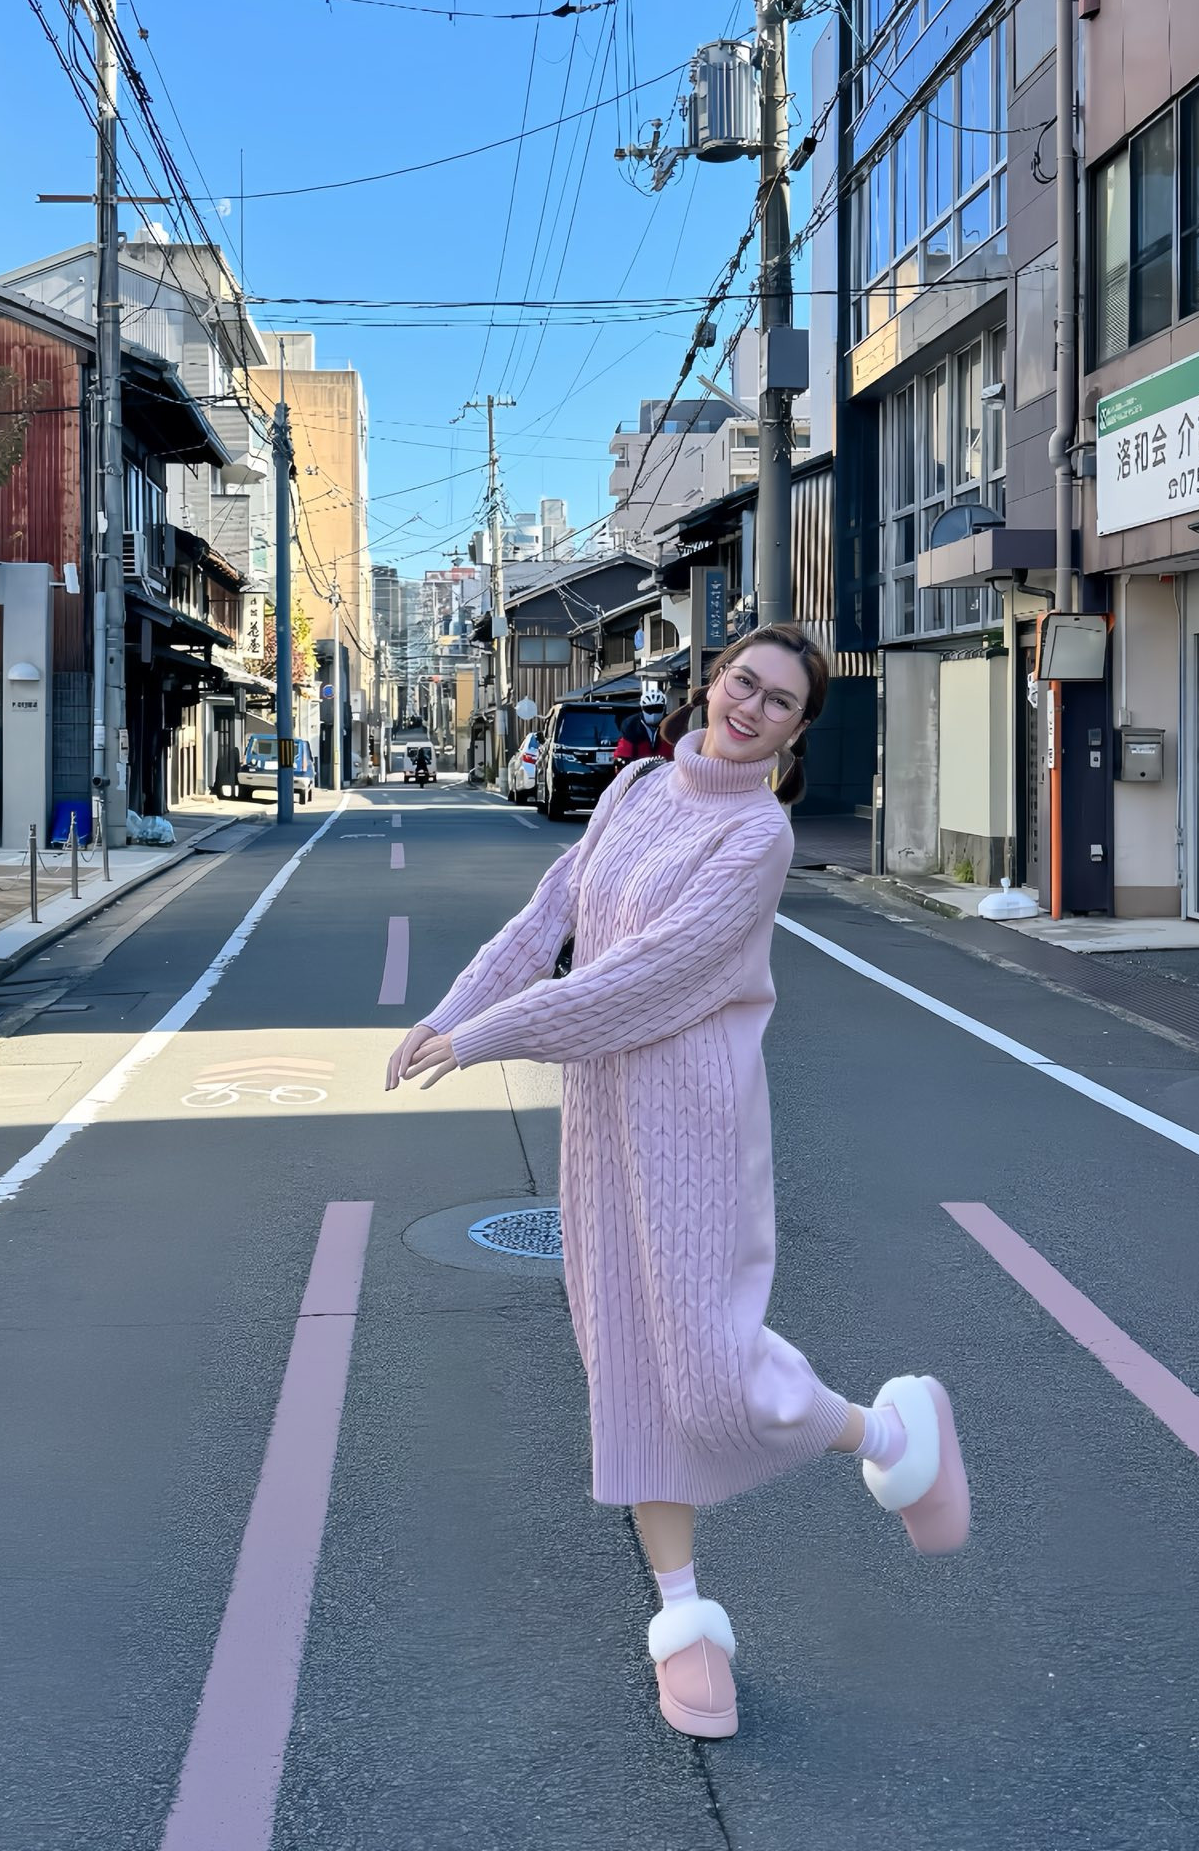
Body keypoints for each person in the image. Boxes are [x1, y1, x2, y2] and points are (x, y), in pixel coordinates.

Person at [386, 628, 969, 1740]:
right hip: (601, 1109)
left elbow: (645, 978)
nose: (751, 706)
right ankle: (686, 1622)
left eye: (780, 701)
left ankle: (887, 1433)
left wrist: (489, 1038)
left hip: (694, 1116)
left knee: (707, 1375)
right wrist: (452, 1009)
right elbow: (548, 916)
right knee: (625, 1362)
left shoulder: (758, 835)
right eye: (744, 681)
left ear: (798, 731)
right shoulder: (637, 787)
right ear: (713, 681)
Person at [612, 680, 673, 769]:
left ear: (664, 709)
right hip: (638, 770)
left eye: (657, 709)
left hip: (665, 770)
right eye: (649, 709)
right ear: (642, 709)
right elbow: (623, 751)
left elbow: (678, 748)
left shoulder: (671, 724)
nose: (653, 713)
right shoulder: (631, 725)